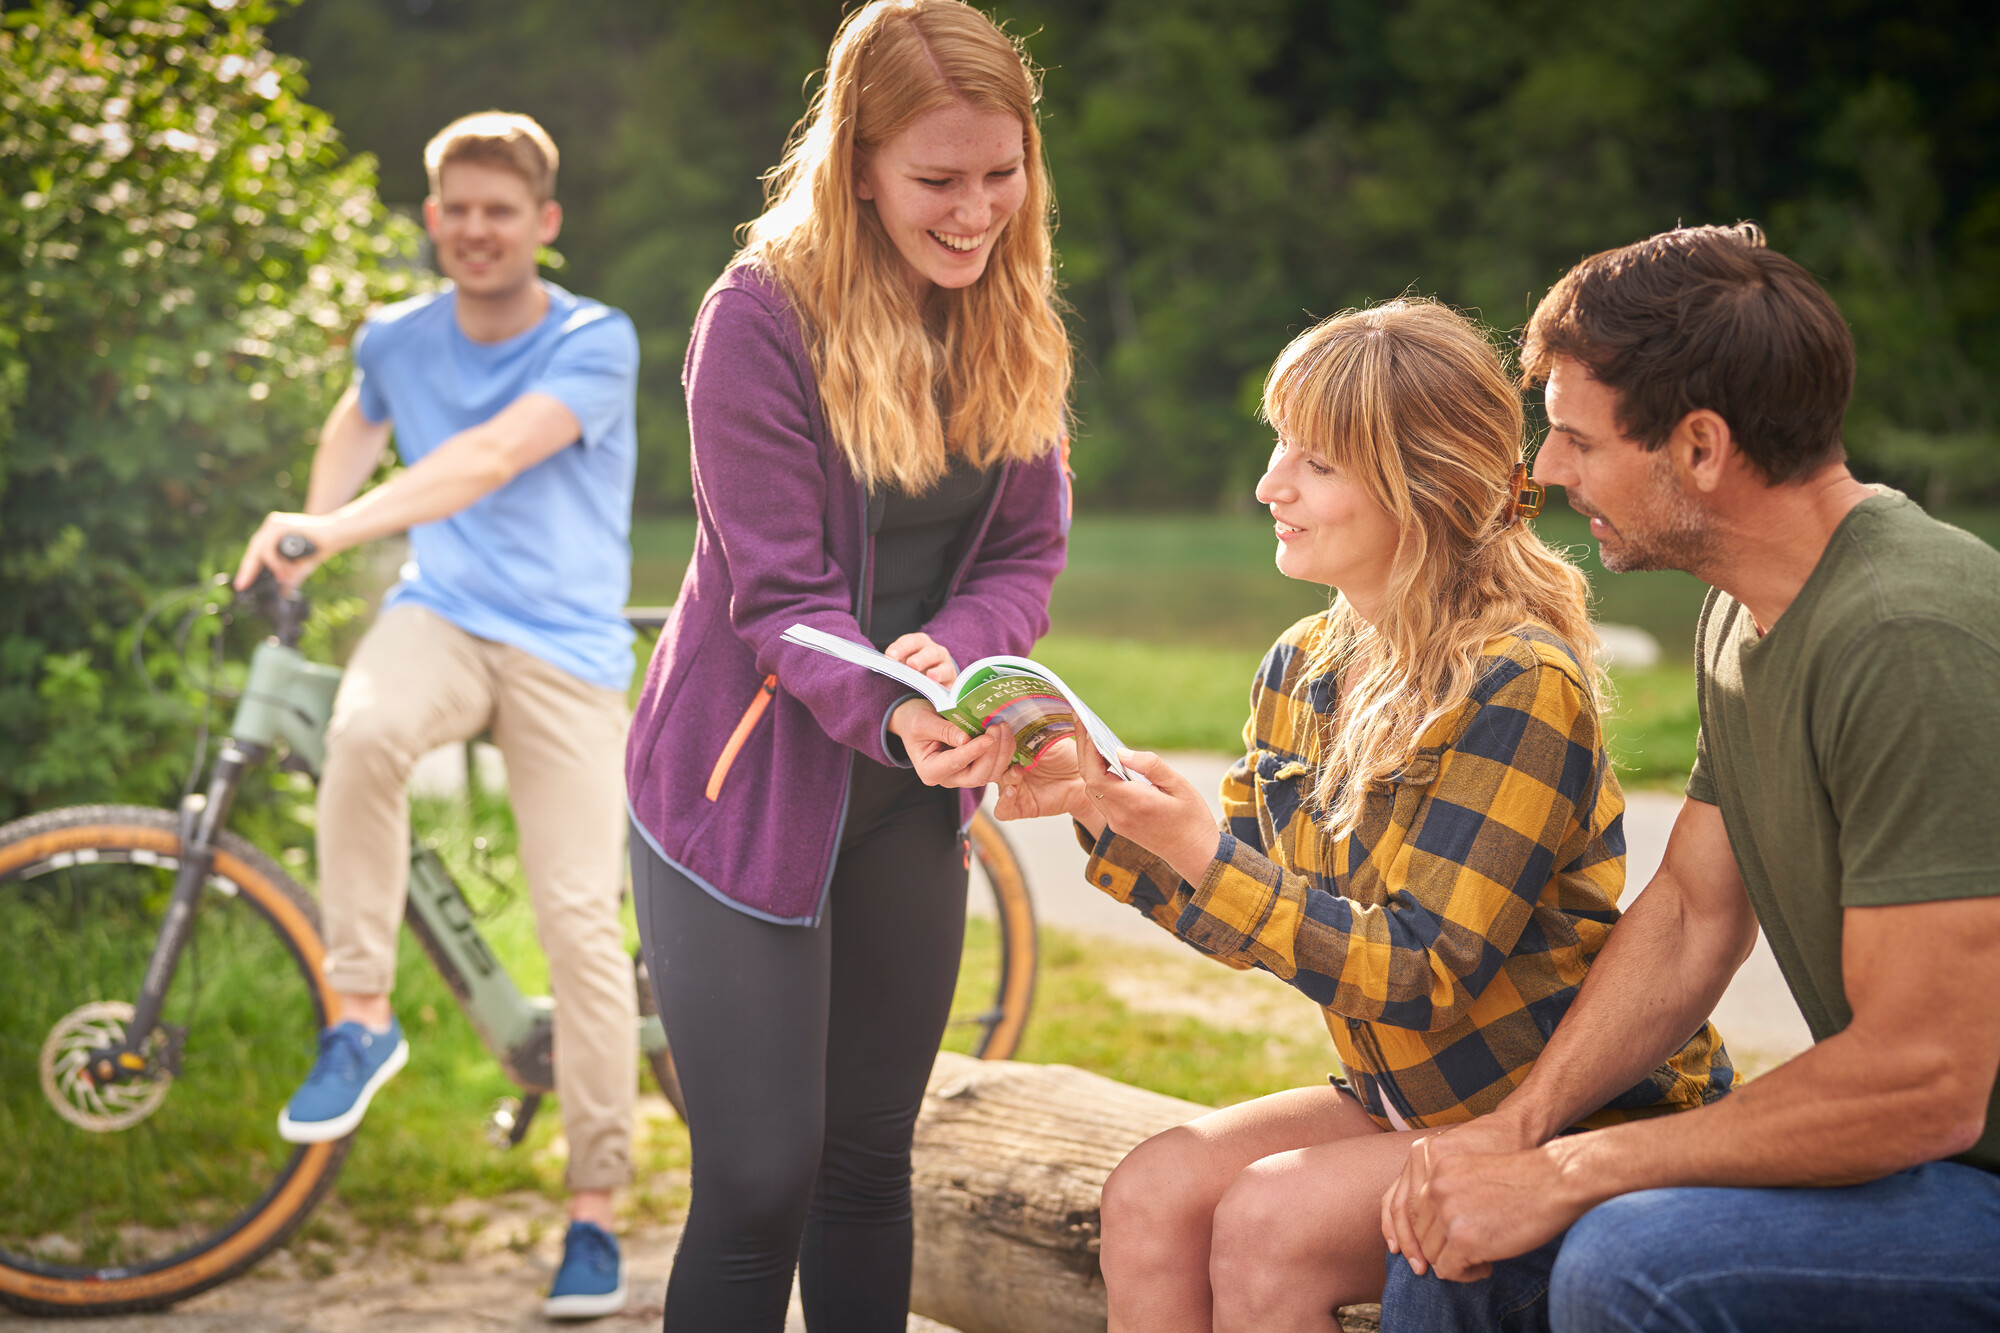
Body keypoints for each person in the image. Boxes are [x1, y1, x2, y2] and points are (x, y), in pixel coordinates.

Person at [994, 299, 1732, 1331]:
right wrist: (1110, 807)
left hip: (1569, 1117)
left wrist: (1202, 850)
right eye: (1277, 448)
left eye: (1316, 463)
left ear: (1421, 483)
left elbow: (1419, 972)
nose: (1269, 487)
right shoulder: (1301, 663)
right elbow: (1254, 911)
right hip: (1405, 1099)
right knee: (1150, 1191)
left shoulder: (1519, 681)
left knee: (1268, 1219)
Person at [1378, 224, 2000, 1332]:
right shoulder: (1744, 610)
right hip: (1931, 1164)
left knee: (1632, 1257)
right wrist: (1519, 1131)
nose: (1545, 471)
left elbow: (1922, 1078)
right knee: (1450, 1243)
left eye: (1575, 439)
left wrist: (1578, 1170)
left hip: (1971, 1177)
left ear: (1699, 449)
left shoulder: (1908, 637)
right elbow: (1689, 911)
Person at [620, 2, 1072, 1327]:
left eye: (1002, 174)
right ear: (858, 162)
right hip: (739, 789)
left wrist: (968, 655)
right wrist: (895, 710)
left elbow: (1025, 555)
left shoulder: (1015, 308)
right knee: (762, 1176)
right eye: (938, 181)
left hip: (909, 793)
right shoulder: (756, 318)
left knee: (873, 1165)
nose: (976, 211)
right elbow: (781, 598)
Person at [234, 112, 640, 1320]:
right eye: (456, 208)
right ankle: (360, 1017)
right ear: (431, 216)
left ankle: (594, 1215)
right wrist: (315, 524)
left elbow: (487, 459)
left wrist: (329, 530)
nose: (475, 229)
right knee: (359, 732)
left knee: (577, 927)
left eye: (499, 211)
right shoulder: (396, 335)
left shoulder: (593, 338)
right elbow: (360, 414)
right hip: (443, 616)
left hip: (565, 648)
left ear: (543, 225)